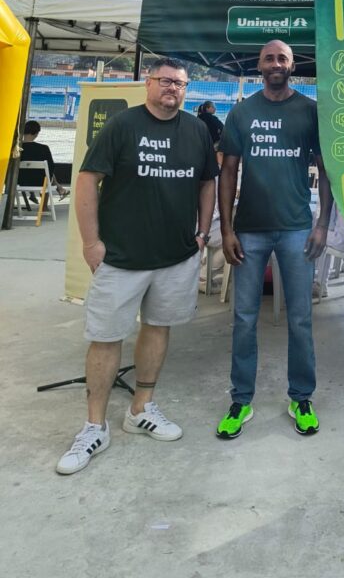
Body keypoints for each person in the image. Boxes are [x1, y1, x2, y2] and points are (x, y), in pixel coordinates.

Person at [56, 58, 218, 475]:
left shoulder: (197, 130)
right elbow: (88, 179)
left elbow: (206, 182)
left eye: (180, 84)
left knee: (157, 328)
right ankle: (94, 425)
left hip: (174, 256)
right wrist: (91, 243)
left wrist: (202, 235)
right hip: (123, 257)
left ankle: (140, 409)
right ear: (149, 84)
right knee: (106, 338)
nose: (173, 89)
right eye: (165, 81)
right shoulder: (123, 126)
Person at [216, 40, 332, 440]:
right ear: (259, 65)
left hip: (298, 227)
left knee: (300, 318)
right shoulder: (242, 112)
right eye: (269, 58)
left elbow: (326, 167)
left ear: (292, 65)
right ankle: (241, 399)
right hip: (249, 228)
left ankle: (301, 397)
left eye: (283, 57)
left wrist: (323, 224)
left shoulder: (310, 110)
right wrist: (227, 228)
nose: (276, 63)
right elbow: (228, 170)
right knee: (244, 318)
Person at [20, 120, 69, 200]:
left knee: (46, 174)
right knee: (47, 175)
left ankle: (60, 189)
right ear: (36, 133)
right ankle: (44, 207)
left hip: (19, 181)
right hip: (40, 181)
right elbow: (51, 167)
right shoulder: (43, 148)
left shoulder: (16, 148)